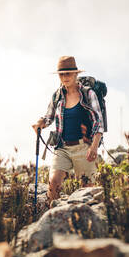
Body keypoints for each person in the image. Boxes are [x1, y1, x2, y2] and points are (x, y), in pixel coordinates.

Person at [32, 56, 104, 203]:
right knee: (53, 183)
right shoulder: (57, 96)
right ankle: (53, 219)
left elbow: (98, 122)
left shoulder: (88, 94)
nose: (65, 77)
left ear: (76, 74)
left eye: (68, 73)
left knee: (87, 191)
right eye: (61, 74)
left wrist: (94, 146)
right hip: (62, 147)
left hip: (84, 147)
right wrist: (41, 123)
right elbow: (49, 117)